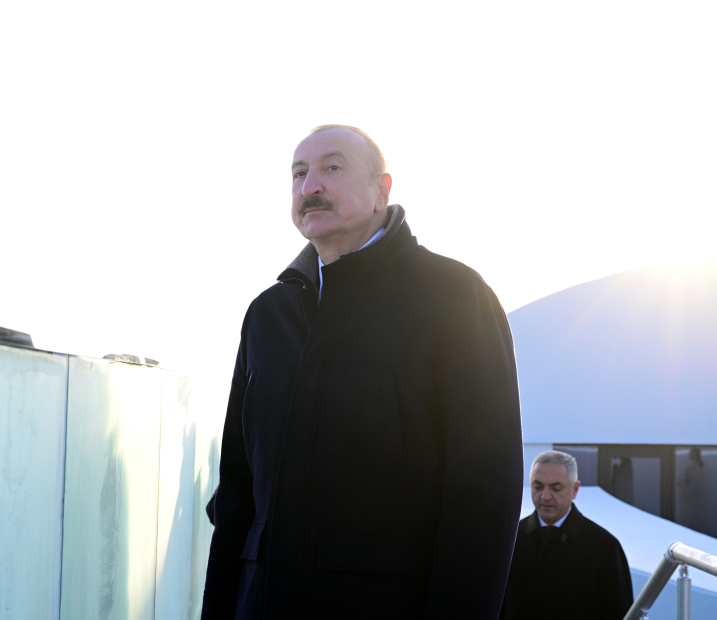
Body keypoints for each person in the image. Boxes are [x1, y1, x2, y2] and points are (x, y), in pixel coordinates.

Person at [201, 125, 523, 620]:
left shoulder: (454, 297)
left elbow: (483, 497)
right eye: (298, 174)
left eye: (332, 168)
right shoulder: (268, 314)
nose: (310, 186)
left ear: (381, 191)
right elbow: (237, 494)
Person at [499, 451, 634, 620]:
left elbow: (620, 613)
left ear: (575, 489)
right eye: (538, 487)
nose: (545, 496)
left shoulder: (604, 546)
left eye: (556, 488)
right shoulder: (510, 540)